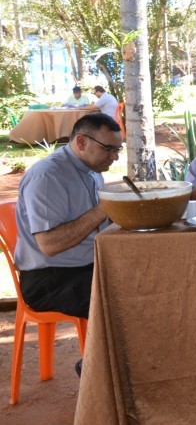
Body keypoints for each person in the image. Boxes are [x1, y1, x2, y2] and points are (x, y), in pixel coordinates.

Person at [14, 113, 122, 319]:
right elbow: (50, 245)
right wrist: (104, 207)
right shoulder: (48, 176)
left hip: (84, 267)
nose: (114, 156)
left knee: (149, 280)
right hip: (50, 279)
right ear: (81, 142)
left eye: (117, 149)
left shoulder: (92, 168)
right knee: (131, 299)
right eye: (108, 149)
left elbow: (100, 223)